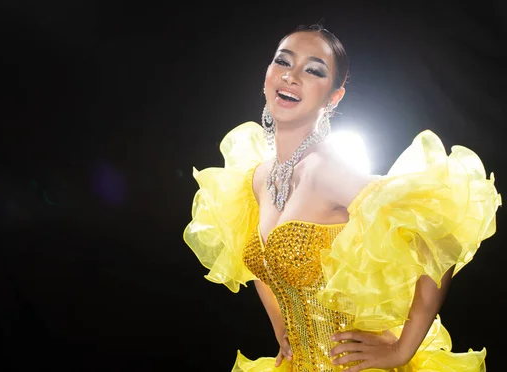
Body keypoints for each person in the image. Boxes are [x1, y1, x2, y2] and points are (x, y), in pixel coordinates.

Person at [183, 23, 501, 372]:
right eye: (283, 62)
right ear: (267, 75)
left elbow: (438, 234)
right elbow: (260, 258)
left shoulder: (328, 171)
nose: (291, 76)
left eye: (313, 70)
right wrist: (280, 322)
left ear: (334, 97)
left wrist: (401, 350)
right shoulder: (257, 178)